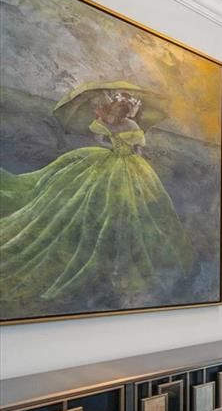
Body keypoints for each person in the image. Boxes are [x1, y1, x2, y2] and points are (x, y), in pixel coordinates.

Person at [0, 83, 194, 316]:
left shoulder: (107, 123)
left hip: (105, 158)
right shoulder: (132, 125)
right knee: (131, 206)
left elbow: (101, 142)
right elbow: (137, 152)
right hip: (129, 166)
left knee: (80, 195)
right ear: (128, 110)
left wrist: (114, 143)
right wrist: (131, 136)